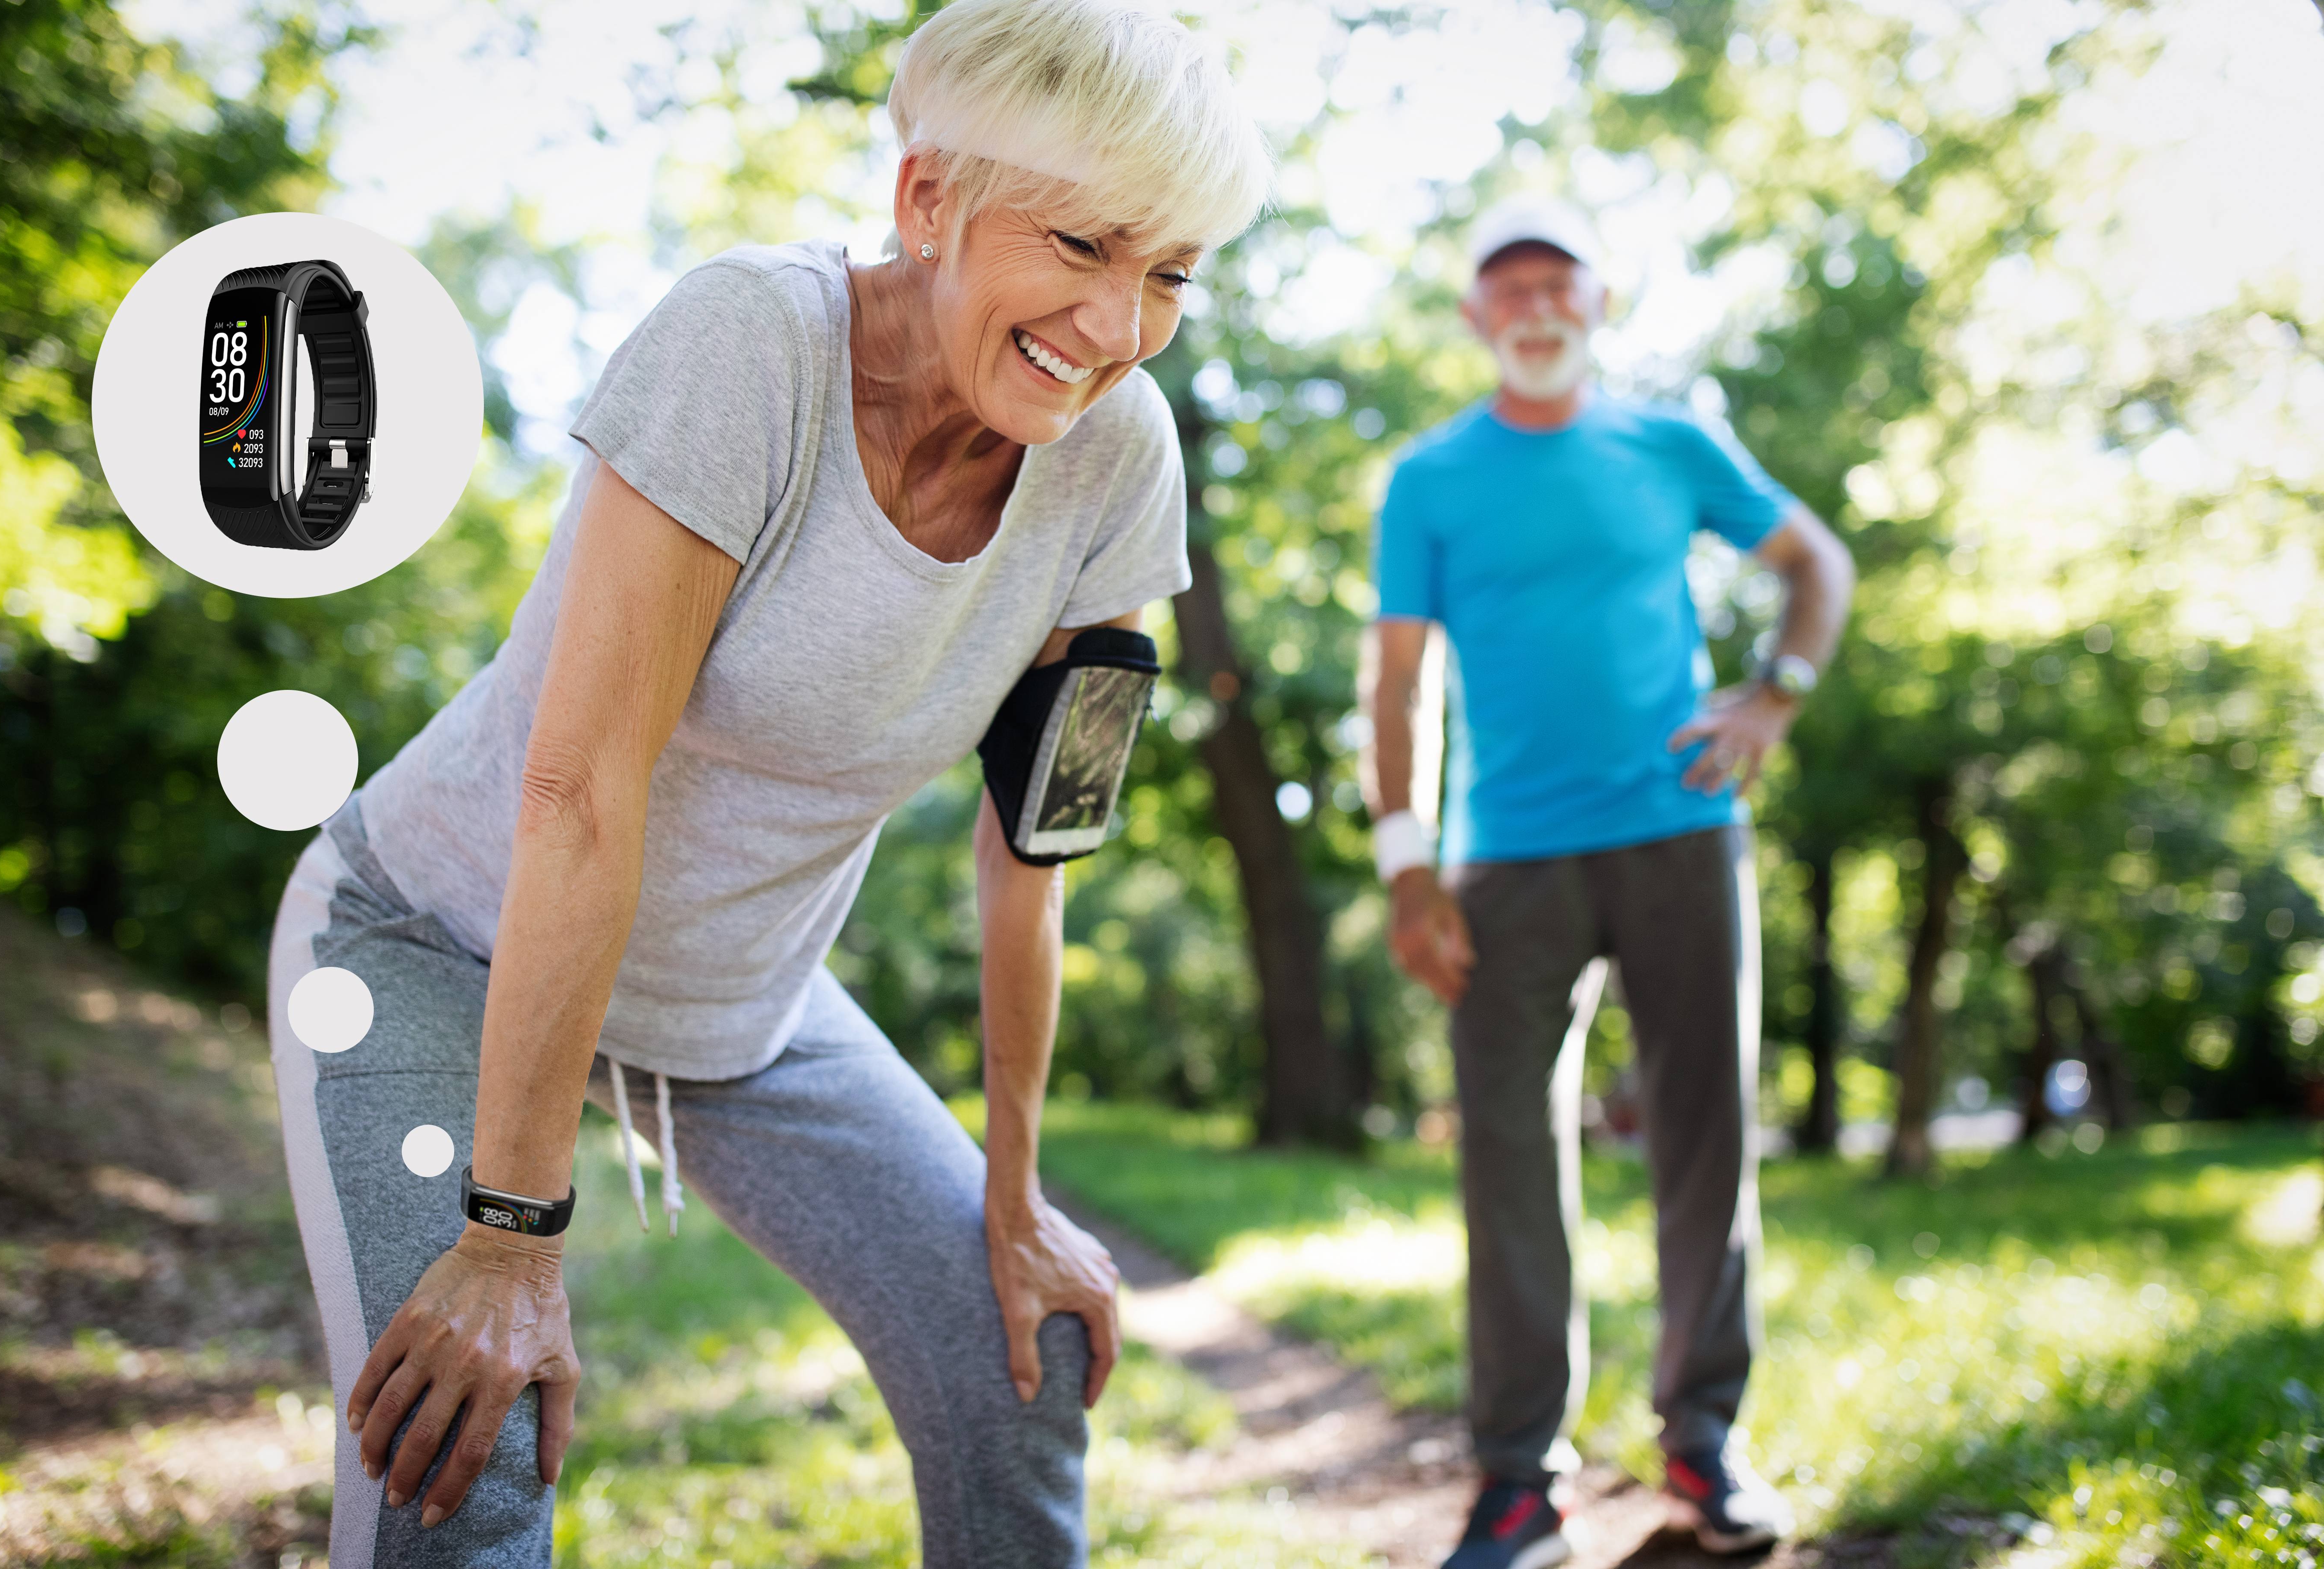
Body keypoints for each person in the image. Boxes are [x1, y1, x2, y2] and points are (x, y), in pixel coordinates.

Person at [262, 1, 1271, 1561]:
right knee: (477, 1445)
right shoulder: (749, 343)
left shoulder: (1116, 456)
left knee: (1025, 1353)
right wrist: (512, 1236)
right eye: (1081, 246)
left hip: (742, 999)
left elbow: (1038, 838)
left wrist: (1017, 1199)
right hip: (435, 938)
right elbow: (582, 793)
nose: (1123, 324)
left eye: (1172, 275)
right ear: (927, 198)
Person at [1359, 194, 1855, 1567]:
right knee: (1510, 1156)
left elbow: (1818, 563)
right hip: (1503, 859)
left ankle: (1703, 1448)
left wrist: (1775, 694)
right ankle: (1520, 1480)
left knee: (1705, 1138)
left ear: (1597, 305)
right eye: (1506, 289)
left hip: (1679, 829)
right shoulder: (1431, 478)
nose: (1533, 308)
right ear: (1475, 317)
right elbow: (1397, 684)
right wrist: (1408, 868)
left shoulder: (1671, 443)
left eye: (1556, 285)